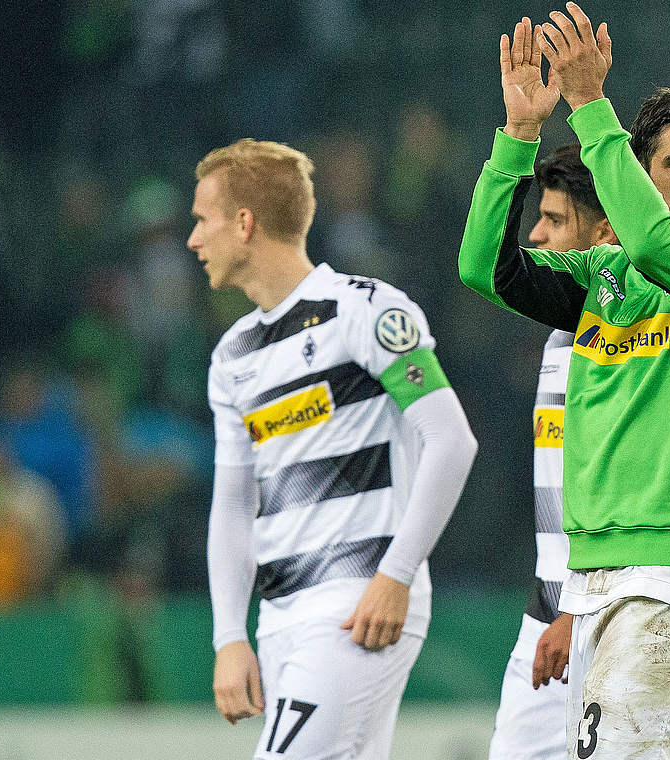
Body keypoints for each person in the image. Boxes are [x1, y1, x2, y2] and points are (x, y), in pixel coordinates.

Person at [459, 6, 670, 757]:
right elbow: (485, 268)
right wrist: (516, 137)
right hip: (602, 583)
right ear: (639, 174)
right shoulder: (601, 281)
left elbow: (652, 241)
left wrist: (591, 106)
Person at [192, 138, 477, 760]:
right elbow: (234, 506)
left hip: (356, 605)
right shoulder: (233, 355)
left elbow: (451, 439)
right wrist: (227, 637)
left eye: (202, 220)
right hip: (280, 616)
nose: (194, 239)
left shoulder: (364, 310)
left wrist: (397, 575)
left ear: (245, 224)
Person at [487, 143, 618, 760]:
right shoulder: (562, 334)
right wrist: (517, 134)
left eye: (555, 220)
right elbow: (487, 265)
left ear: (606, 231)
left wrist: (578, 607)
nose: (534, 234)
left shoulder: (629, 340)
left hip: (604, 620)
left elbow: (624, 482)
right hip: (547, 617)